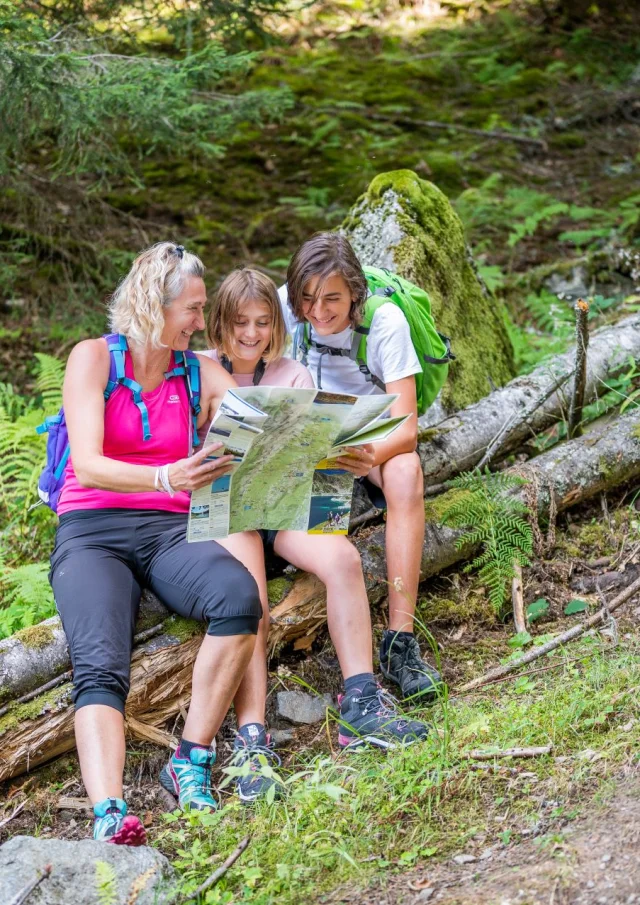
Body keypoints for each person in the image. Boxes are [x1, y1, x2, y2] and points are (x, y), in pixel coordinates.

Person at [50, 243, 264, 844]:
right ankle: (110, 813)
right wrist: (168, 476)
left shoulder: (195, 369)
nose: (201, 322)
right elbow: (88, 466)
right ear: (153, 305)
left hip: (168, 531)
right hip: (92, 531)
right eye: (192, 309)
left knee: (237, 597)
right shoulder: (93, 359)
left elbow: (261, 422)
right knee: (98, 663)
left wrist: (325, 446)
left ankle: (189, 759)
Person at [201, 268, 429, 803]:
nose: (252, 334)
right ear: (219, 324)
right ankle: (252, 736)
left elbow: (319, 466)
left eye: (262, 322)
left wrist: (334, 465)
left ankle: (361, 702)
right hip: (229, 514)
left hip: (284, 508)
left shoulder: (295, 374)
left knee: (344, 559)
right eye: (239, 323)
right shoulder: (201, 371)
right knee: (246, 592)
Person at [279, 232, 443, 701]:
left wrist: (368, 457)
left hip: (370, 432)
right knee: (325, 529)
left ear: (355, 290)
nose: (318, 310)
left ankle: (400, 640)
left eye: (332, 298)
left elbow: (406, 428)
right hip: (309, 432)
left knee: (406, 471)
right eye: (307, 298)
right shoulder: (284, 308)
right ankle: (345, 656)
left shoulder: (385, 322)